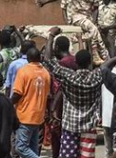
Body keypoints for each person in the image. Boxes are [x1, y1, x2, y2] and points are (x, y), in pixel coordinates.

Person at [44, 27, 102, 158]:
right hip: (89, 126)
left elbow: (47, 60)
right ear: (89, 63)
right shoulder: (96, 77)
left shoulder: (69, 77)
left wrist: (51, 36)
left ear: (76, 61)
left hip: (70, 124)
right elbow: (106, 66)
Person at [36, 0, 108, 64]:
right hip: (76, 17)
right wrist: (44, 1)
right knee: (93, 28)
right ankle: (102, 54)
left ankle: (93, 52)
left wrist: (94, 20)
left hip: (87, 17)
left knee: (94, 31)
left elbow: (96, 8)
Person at [12, 48, 51, 158]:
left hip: (25, 115)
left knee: (21, 147)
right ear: (39, 58)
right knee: (33, 148)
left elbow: (17, 94)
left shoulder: (23, 71)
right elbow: (47, 94)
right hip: (38, 116)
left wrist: (9, 103)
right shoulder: (45, 73)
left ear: (28, 58)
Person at [49, 35, 78, 158]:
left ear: (57, 47)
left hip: (61, 109)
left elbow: (61, 87)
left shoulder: (63, 63)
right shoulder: (74, 60)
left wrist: (54, 108)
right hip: (72, 108)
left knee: (58, 143)